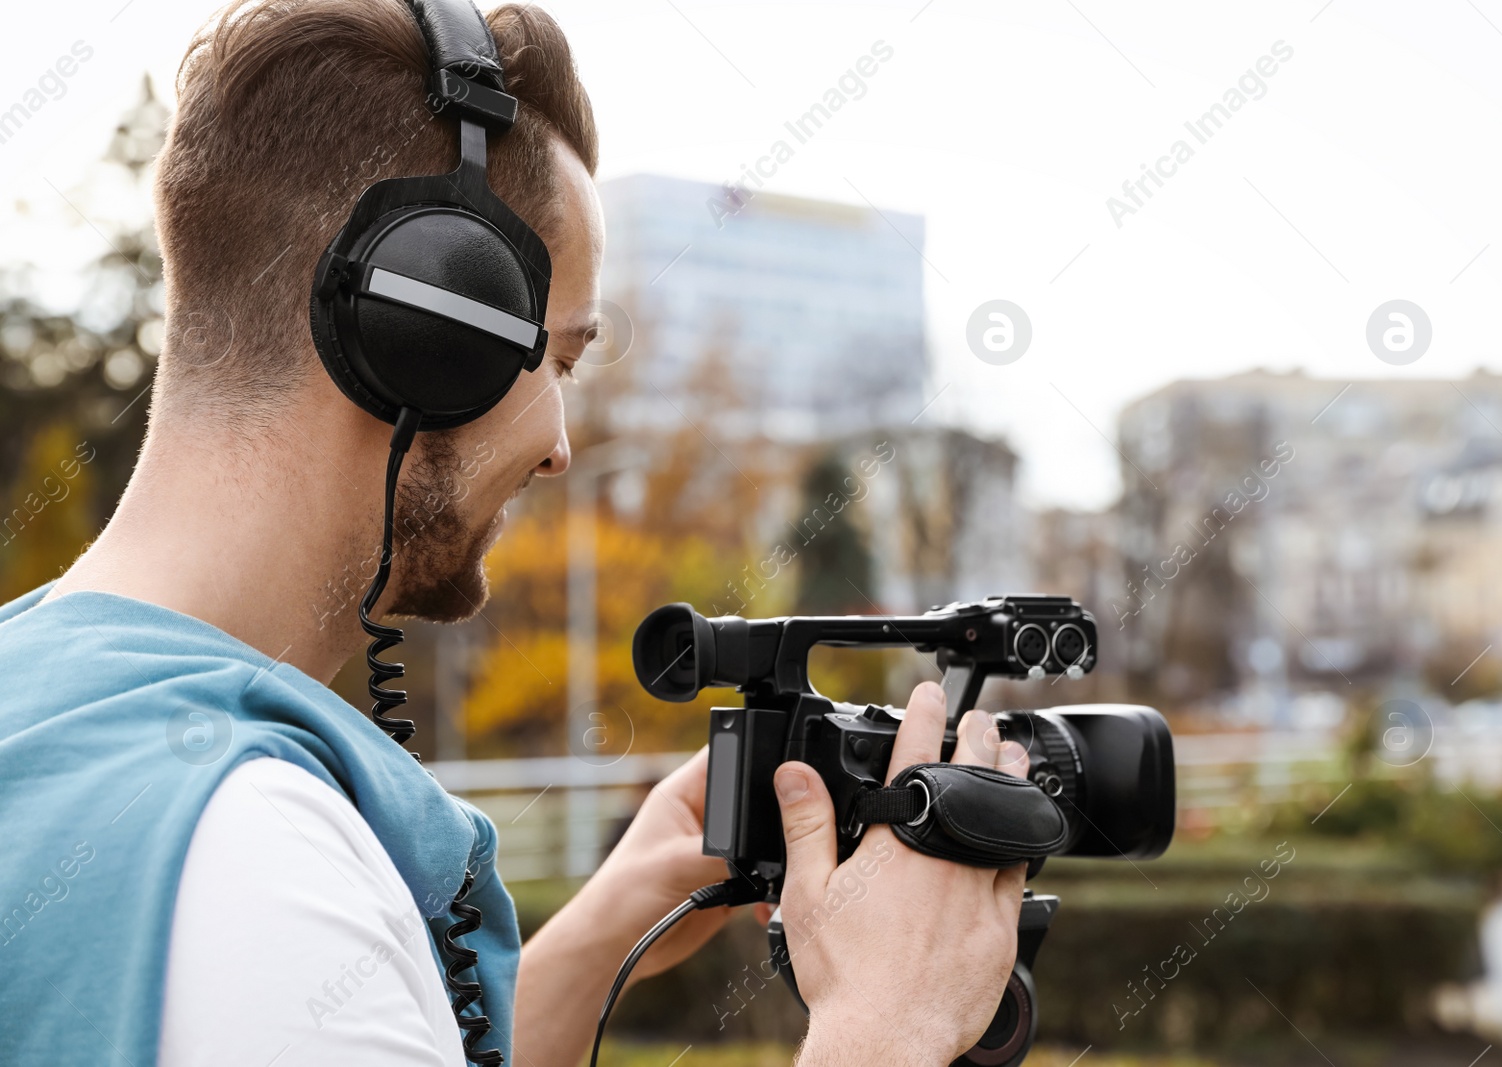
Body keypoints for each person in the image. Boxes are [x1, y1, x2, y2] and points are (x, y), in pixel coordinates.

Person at [0, 2, 1031, 1065]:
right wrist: (887, 1021)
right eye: (562, 361)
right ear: (423, 332)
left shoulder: (44, 704)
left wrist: (592, 936)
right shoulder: (253, 857)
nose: (558, 448)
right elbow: (279, 967)